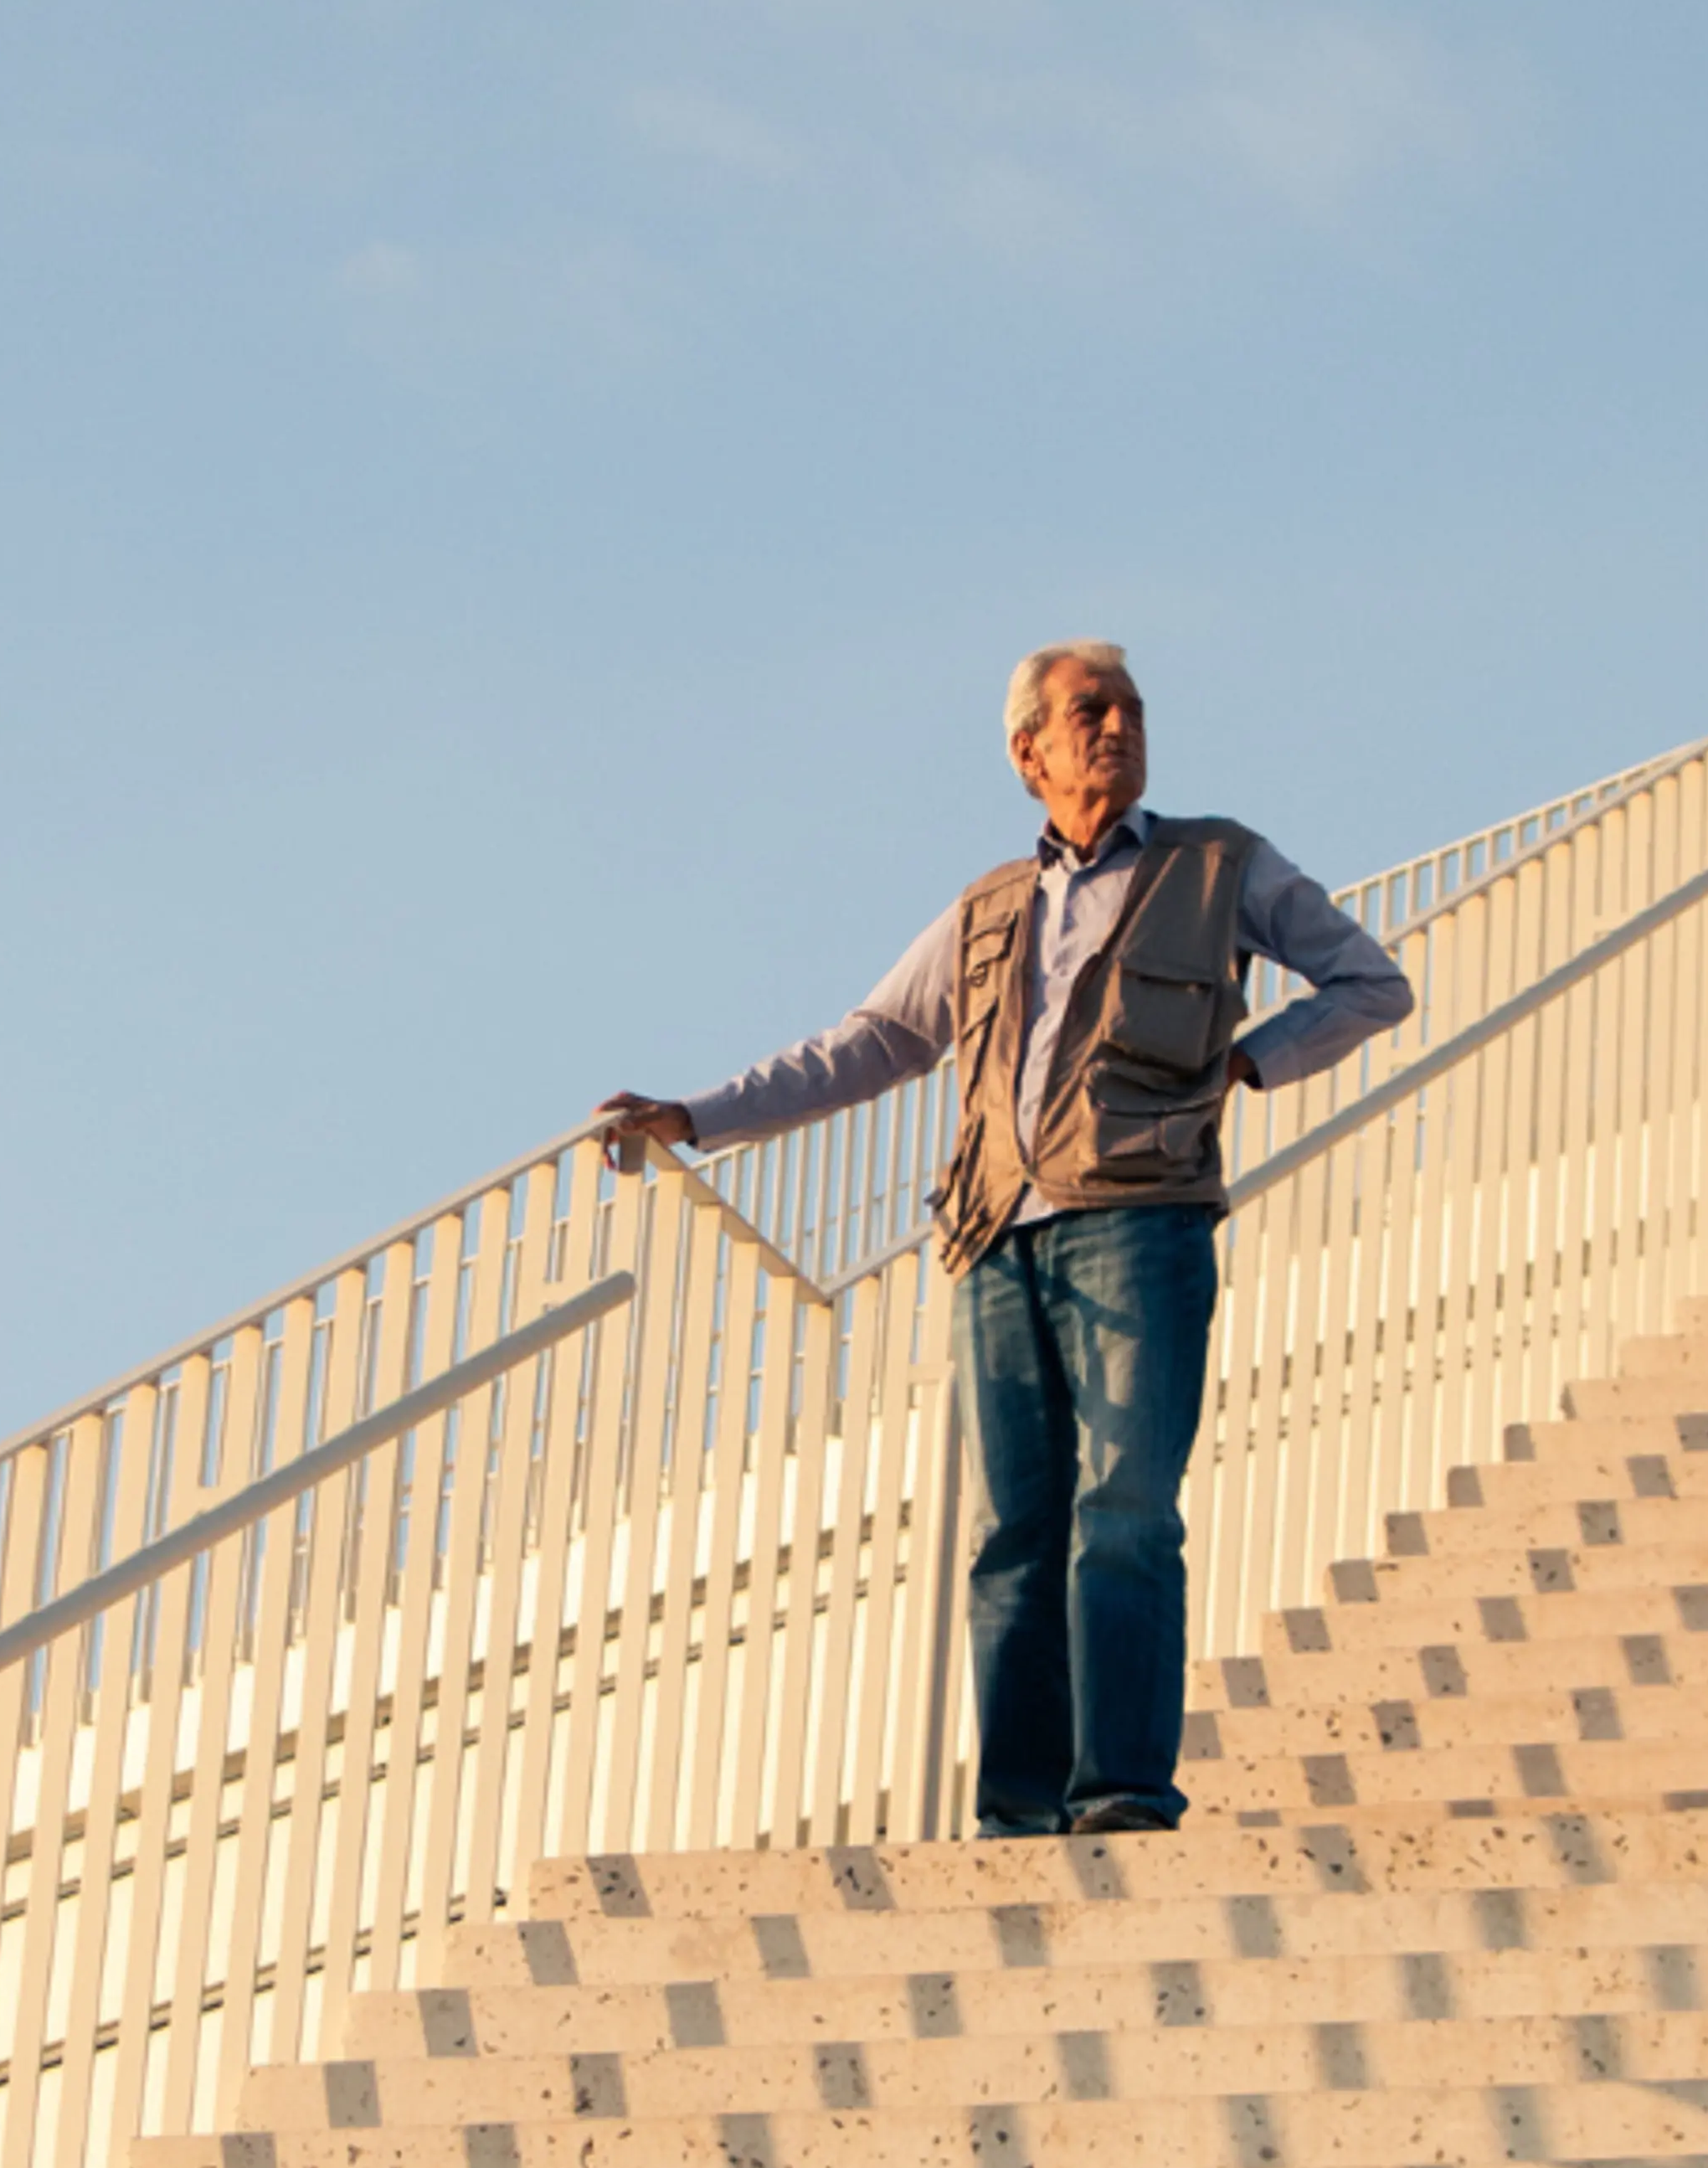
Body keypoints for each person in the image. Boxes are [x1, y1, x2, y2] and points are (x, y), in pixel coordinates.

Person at [598, 643, 1412, 1838]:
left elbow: (1370, 983)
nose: (1119, 728)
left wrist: (1252, 1060)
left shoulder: (1218, 863)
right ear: (1029, 751)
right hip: (995, 1239)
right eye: (1091, 712)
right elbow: (870, 1043)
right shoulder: (989, 907)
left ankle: (1123, 1792)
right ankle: (1020, 1810)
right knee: (1011, 1537)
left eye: (1131, 709)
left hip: (1140, 1218)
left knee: (1127, 1507)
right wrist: (698, 1117)